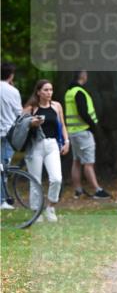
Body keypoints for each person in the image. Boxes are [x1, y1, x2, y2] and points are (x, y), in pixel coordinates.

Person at [23, 79, 70, 222]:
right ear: (38, 92)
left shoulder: (56, 106)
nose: (49, 93)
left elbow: (62, 125)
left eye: (51, 90)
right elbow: (20, 125)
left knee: (56, 178)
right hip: (35, 145)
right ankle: (36, 211)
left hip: (52, 145)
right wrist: (32, 123)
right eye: (45, 90)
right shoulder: (31, 107)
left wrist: (66, 141)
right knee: (35, 180)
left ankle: (50, 207)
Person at [63, 70, 111, 199]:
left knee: (76, 161)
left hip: (73, 131)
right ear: (83, 76)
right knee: (88, 163)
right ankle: (97, 190)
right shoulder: (79, 92)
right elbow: (83, 111)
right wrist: (92, 125)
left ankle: (78, 190)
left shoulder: (69, 92)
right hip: (83, 131)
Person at [1, 62, 23, 209]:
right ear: (11, 75)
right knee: (4, 167)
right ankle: (2, 200)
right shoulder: (12, 91)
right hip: (7, 133)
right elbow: (19, 113)